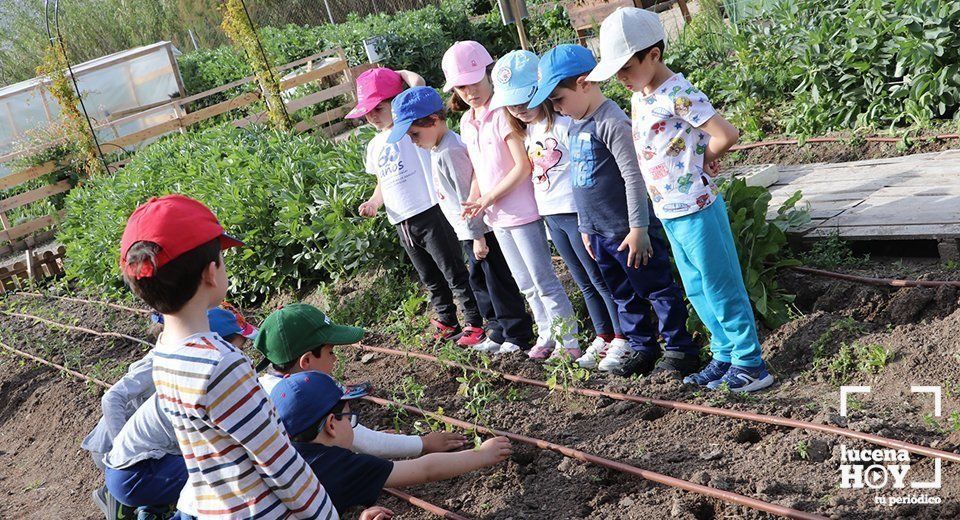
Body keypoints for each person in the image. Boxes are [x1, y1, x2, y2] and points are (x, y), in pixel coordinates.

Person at [588, 7, 774, 391]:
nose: (621, 77)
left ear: (653, 55)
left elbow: (725, 132)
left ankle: (750, 362)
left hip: (696, 206)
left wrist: (704, 159)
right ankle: (724, 354)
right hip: (668, 209)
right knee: (695, 287)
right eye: (616, 71)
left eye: (625, 67)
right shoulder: (642, 94)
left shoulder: (678, 92)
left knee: (720, 284)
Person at [119, 195, 335, 519]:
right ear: (210, 273)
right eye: (222, 257)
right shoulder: (220, 365)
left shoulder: (164, 353)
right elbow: (279, 462)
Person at [528, 44, 699, 378]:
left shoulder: (611, 121)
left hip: (627, 230)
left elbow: (633, 176)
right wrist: (587, 229)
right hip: (600, 233)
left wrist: (638, 228)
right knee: (622, 294)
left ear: (584, 83)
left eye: (559, 99)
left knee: (656, 289)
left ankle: (679, 349)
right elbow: (580, 184)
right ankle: (642, 347)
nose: (558, 110)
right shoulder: (576, 124)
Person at [442, 40, 580, 360]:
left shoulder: (504, 112)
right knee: (525, 283)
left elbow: (522, 166)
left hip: (522, 210)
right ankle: (546, 334)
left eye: (474, 82)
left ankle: (568, 339)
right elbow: (478, 168)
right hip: (496, 216)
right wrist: (475, 198)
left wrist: (488, 196)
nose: (470, 91)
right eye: (461, 87)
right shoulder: (466, 121)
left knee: (543, 278)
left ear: (488, 74)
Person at [489, 49, 626, 369]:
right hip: (551, 214)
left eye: (525, 100)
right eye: (513, 104)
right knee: (582, 280)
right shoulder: (528, 132)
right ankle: (603, 335)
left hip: (577, 212)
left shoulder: (564, 124)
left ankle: (622, 335)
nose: (520, 109)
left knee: (599, 277)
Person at [386, 85, 535, 355]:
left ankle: (517, 333)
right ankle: (497, 331)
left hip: (479, 231)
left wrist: (478, 235)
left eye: (415, 134)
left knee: (497, 282)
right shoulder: (438, 148)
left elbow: (468, 196)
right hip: (467, 231)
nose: (413, 141)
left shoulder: (450, 151)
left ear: (433, 120)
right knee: (480, 282)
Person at [350, 67, 486, 347]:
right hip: (402, 220)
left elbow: (418, 84)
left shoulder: (411, 129)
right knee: (430, 277)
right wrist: (375, 202)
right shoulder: (375, 145)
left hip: (430, 212)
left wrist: (396, 74)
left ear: (395, 101)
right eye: (367, 111)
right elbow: (382, 181)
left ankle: (474, 321)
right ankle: (447, 321)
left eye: (378, 107)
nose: (372, 115)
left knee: (453, 272)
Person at [85, 305, 258, 520]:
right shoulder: (162, 362)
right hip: (113, 448)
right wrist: (120, 448)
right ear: (216, 343)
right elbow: (111, 398)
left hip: (143, 450)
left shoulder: (186, 362)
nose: (242, 356)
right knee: (205, 474)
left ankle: (145, 506)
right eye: (239, 348)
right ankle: (132, 503)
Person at [272, 371, 513, 514]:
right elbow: (426, 469)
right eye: (350, 417)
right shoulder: (340, 466)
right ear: (331, 425)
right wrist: (482, 455)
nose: (353, 424)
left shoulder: (280, 455)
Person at [255, 303, 467, 457]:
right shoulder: (303, 398)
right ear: (307, 360)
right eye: (330, 352)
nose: (335, 359)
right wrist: (424, 443)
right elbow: (365, 442)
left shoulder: (264, 384)